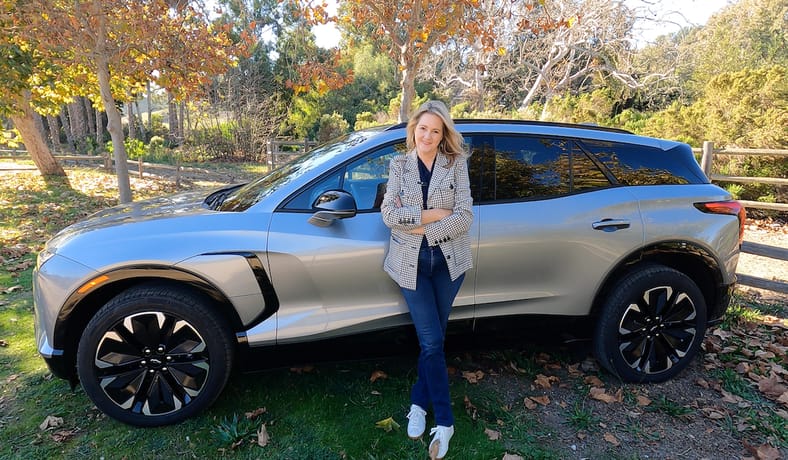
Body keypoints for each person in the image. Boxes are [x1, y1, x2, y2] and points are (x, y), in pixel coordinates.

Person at [381, 100, 473, 459]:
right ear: (413, 130)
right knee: (432, 342)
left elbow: (464, 216)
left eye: (436, 130)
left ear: (443, 134)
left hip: (449, 266)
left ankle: (419, 403)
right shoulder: (399, 164)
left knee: (432, 342)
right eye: (423, 129)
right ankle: (446, 421)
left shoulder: (455, 165)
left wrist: (423, 226)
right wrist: (432, 215)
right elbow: (389, 214)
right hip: (410, 265)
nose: (428, 136)